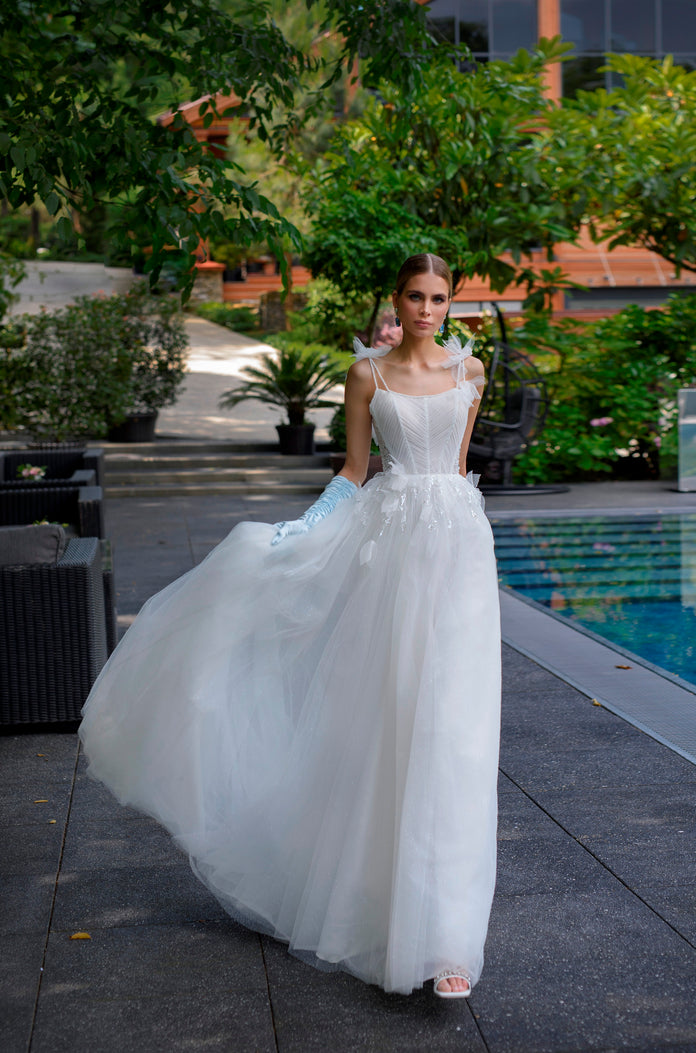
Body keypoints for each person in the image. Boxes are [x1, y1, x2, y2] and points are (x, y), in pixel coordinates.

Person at [79, 252, 502, 999]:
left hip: (460, 553)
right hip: (393, 555)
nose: (427, 310)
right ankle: (381, 905)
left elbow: (459, 470)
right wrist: (299, 531)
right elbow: (355, 468)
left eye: (439, 298)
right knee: (391, 726)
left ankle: (448, 939)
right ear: (397, 300)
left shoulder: (470, 373)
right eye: (415, 296)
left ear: (451, 302)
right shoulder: (368, 374)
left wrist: (460, 525)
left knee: (456, 734)